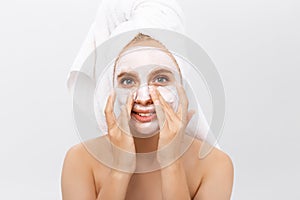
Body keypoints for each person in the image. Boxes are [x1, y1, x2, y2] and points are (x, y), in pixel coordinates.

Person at [61, 33, 234, 200]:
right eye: (128, 81)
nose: (143, 98)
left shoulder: (216, 165)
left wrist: (171, 163)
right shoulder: (80, 160)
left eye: (161, 79)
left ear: (183, 91)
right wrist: (120, 169)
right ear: (111, 94)